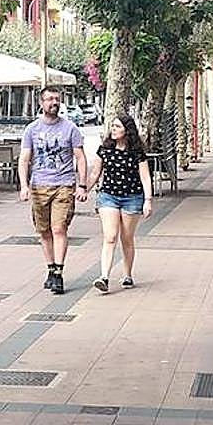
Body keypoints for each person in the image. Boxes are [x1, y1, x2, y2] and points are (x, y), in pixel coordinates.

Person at [19, 86, 87, 295]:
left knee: (59, 229)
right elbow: (24, 159)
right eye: (49, 99)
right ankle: (50, 268)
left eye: (57, 99)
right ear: (42, 103)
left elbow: (80, 157)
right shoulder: (32, 130)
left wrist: (82, 184)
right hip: (39, 186)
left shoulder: (70, 129)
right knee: (44, 231)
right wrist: (24, 185)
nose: (54, 103)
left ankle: (58, 272)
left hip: (64, 186)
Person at [87, 114, 152, 294]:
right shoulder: (105, 149)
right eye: (112, 126)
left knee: (127, 238)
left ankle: (127, 274)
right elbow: (95, 174)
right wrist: (83, 188)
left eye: (117, 126)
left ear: (127, 130)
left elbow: (145, 177)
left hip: (132, 197)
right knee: (110, 237)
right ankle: (104, 277)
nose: (113, 129)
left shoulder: (137, 152)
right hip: (108, 196)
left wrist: (148, 200)